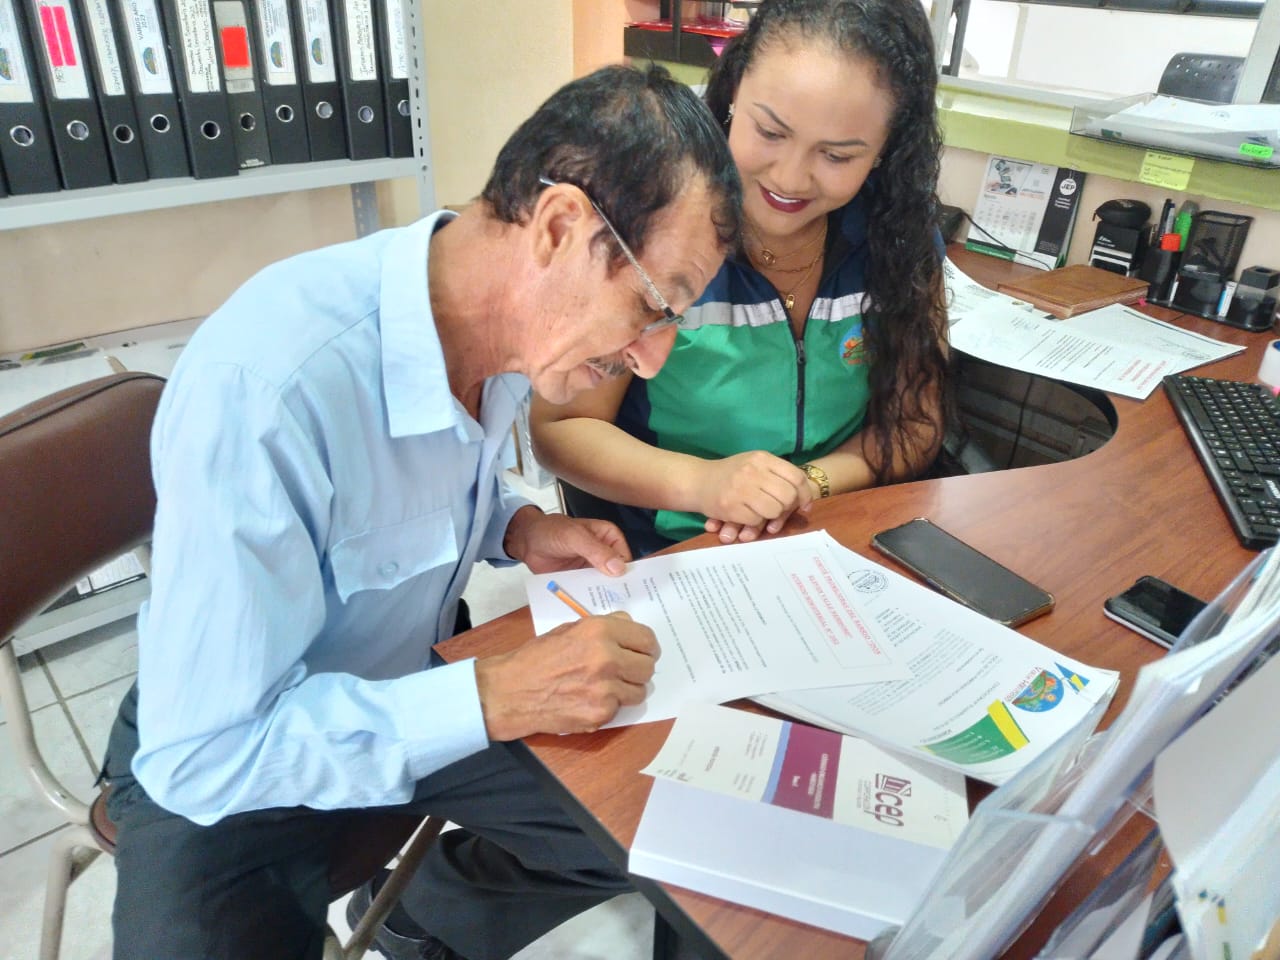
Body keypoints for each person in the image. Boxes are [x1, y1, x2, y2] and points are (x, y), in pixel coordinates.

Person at [100, 63, 740, 960]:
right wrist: (496, 693)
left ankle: (425, 915)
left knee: (682, 838)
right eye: (652, 305)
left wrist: (514, 527)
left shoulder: (501, 326)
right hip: (240, 745)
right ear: (561, 227)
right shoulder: (268, 387)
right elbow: (205, 751)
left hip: (413, 676)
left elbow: (395, 496)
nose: (653, 357)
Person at [530, 0, 950, 559]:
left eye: (836, 155)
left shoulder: (897, 238)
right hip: (670, 553)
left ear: (885, 150)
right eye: (770, 131)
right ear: (733, 93)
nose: (790, 178)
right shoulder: (650, 225)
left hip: (835, 540)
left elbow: (914, 421)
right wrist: (703, 484)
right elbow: (561, 426)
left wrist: (807, 485)